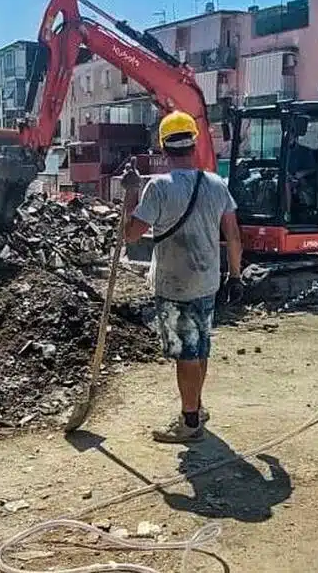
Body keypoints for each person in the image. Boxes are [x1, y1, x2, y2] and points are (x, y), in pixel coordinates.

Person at [121, 112, 244, 443]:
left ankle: (189, 422)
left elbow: (131, 235)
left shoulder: (159, 187)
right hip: (207, 282)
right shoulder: (217, 185)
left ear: (163, 147)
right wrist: (235, 276)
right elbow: (233, 235)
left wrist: (131, 193)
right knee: (200, 348)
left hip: (175, 286)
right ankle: (198, 407)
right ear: (195, 142)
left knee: (186, 355)